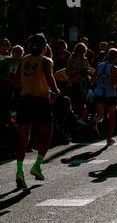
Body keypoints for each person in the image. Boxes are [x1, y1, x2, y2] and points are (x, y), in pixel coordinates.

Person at [14, 33, 60, 188]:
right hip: (41, 102)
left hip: (25, 101)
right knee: (46, 135)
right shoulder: (46, 60)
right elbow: (49, 78)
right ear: (44, 46)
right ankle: (37, 165)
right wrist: (55, 90)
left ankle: (19, 171)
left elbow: (16, 81)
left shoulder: (24, 59)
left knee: (22, 139)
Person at [91, 48, 117, 146]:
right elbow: (114, 82)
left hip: (99, 93)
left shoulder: (99, 65)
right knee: (111, 116)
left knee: (100, 115)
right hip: (110, 94)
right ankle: (109, 138)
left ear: (108, 55)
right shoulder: (114, 68)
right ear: (116, 57)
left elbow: (93, 79)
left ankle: (95, 123)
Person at [66, 42, 90, 118]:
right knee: (73, 102)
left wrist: (87, 71)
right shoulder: (71, 59)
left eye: (84, 52)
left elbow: (88, 70)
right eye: (81, 51)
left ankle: (81, 117)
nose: (82, 53)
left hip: (83, 84)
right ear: (76, 51)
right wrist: (78, 71)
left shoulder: (85, 59)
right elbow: (67, 72)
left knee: (82, 102)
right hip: (73, 84)